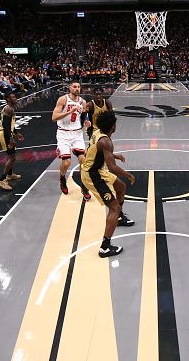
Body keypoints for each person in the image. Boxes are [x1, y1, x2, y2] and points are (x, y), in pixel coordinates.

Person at [81, 111, 135, 258]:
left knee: (121, 187)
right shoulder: (106, 141)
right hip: (93, 175)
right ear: (113, 126)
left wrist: (113, 155)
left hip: (97, 169)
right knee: (114, 207)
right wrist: (128, 174)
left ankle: (118, 218)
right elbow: (112, 167)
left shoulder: (98, 132)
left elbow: (95, 150)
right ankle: (105, 247)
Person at [52, 82, 92, 201]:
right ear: (70, 88)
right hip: (63, 133)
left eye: (79, 87)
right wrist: (70, 111)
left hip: (77, 134)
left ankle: (84, 187)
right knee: (67, 162)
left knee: (83, 161)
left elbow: (84, 116)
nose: (77, 89)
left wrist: (86, 122)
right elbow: (54, 117)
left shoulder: (83, 102)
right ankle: (62, 178)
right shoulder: (63, 99)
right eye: (74, 87)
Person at [0, 93, 24, 191]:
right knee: (12, 158)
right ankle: (2, 180)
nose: (15, 98)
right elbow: (5, 126)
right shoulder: (8, 109)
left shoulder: (10, 108)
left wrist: (16, 133)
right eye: (12, 97)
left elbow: (10, 125)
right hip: (5, 135)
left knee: (12, 156)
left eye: (15, 96)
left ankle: (10, 174)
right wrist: (11, 139)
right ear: (8, 99)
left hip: (7, 133)